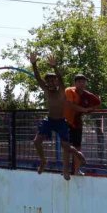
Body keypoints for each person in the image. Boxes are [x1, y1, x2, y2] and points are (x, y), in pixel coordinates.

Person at [28, 52, 83, 180]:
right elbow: (37, 78)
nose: (51, 83)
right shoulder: (46, 90)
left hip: (61, 121)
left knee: (66, 146)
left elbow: (61, 79)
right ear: (47, 83)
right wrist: (34, 64)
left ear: (56, 82)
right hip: (49, 120)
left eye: (53, 80)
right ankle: (43, 161)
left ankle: (67, 169)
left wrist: (54, 67)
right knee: (36, 142)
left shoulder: (61, 90)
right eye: (49, 81)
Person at [64, 75, 102, 176]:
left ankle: (76, 171)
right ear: (75, 83)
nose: (82, 84)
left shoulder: (87, 94)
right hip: (66, 122)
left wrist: (91, 109)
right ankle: (65, 171)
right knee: (66, 147)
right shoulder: (69, 91)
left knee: (77, 146)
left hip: (77, 123)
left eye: (84, 82)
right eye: (80, 81)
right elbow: (70, 105)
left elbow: (98, 102)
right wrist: (84, 110)